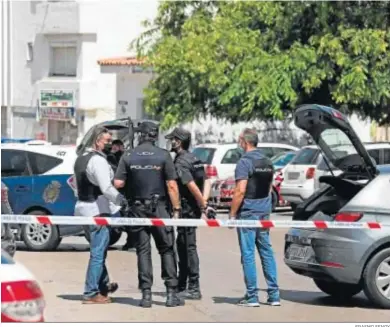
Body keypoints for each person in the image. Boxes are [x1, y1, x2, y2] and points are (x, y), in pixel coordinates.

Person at [114, 121, 184, 308]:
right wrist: (176, 209)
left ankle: (146, 295)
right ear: (154, 135)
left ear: (140, 135)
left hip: (137, 208)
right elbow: (171, 185)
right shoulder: (163, 155)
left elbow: (118, 183)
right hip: (160, 208)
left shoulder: (128, 155)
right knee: (166, 248)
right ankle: (171, 294)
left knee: (143, 250)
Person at [229, 128, 280, 307]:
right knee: (266, 252)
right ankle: (274, 295)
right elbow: (269, 188)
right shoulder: (268, 161)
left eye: (239, 139)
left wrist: (232, 214)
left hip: (248, 212)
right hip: (263, 211)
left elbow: (240, 190)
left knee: (248, 254)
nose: (238, 142)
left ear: (244, 141)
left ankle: (252, 296)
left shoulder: (244, 162)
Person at [74, 127, 126, 304]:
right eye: (106, 141)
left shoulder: (80, 159)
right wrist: (121, 200)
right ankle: (90, 293)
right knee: (98, 253)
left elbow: (75, 185)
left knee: (98, 250)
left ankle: (103, 286)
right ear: (97, 141)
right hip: (97, 210)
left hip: (82, 209)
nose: (110, 144)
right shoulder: (98, 161)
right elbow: (106, 188)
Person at [165, 127, 214, 300]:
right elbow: (207, 181)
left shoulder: (181, 162)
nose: (170, 142)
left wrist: (203, 205)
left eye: (172, 139)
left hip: (187, 209)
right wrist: (204, 203)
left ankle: (193, 287)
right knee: (183, 245)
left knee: (188, 247)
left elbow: (192, 186)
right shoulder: (196, 158)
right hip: (193, 209)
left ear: (178, 142)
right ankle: (182, 284)